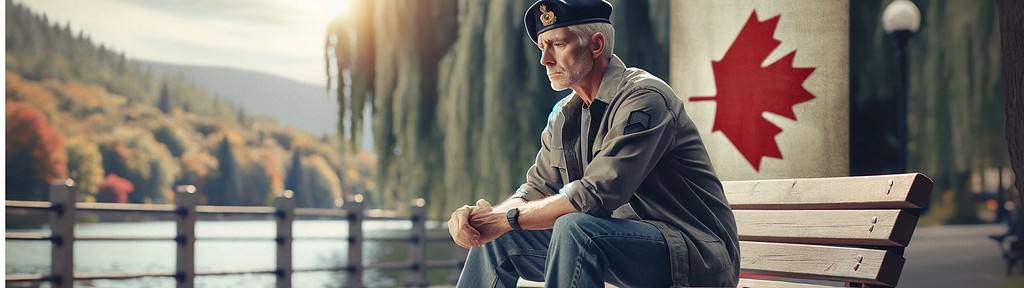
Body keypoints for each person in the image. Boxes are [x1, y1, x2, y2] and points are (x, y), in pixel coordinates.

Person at [449, 1, 739, 287]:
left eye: (558, 45)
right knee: (501, 238)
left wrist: (506, 219)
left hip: (694, 256)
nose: (545, 60)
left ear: (596, 45)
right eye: (542, 47)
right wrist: (487, 219)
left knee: (574, 227)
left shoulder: (645, 99)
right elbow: (535, 190)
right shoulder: (565, 115)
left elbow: (597, 195)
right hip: (618, 245)